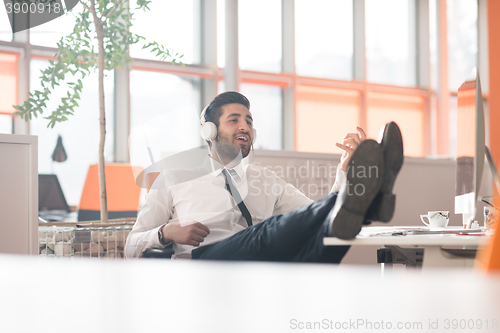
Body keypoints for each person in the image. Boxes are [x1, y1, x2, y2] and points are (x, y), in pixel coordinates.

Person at [125, 91, 403, 262]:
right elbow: (130, 246)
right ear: (209, 131)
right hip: (205, 263)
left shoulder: (265, 178)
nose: (245, 126)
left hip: (258, 266)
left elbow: (317, 212)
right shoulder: (173, 177)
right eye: (234, 119)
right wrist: (164, 232)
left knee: (329, 237)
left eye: (249, 120)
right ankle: (373, 197)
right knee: (265, 233)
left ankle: (367, 201)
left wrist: (345, 171)